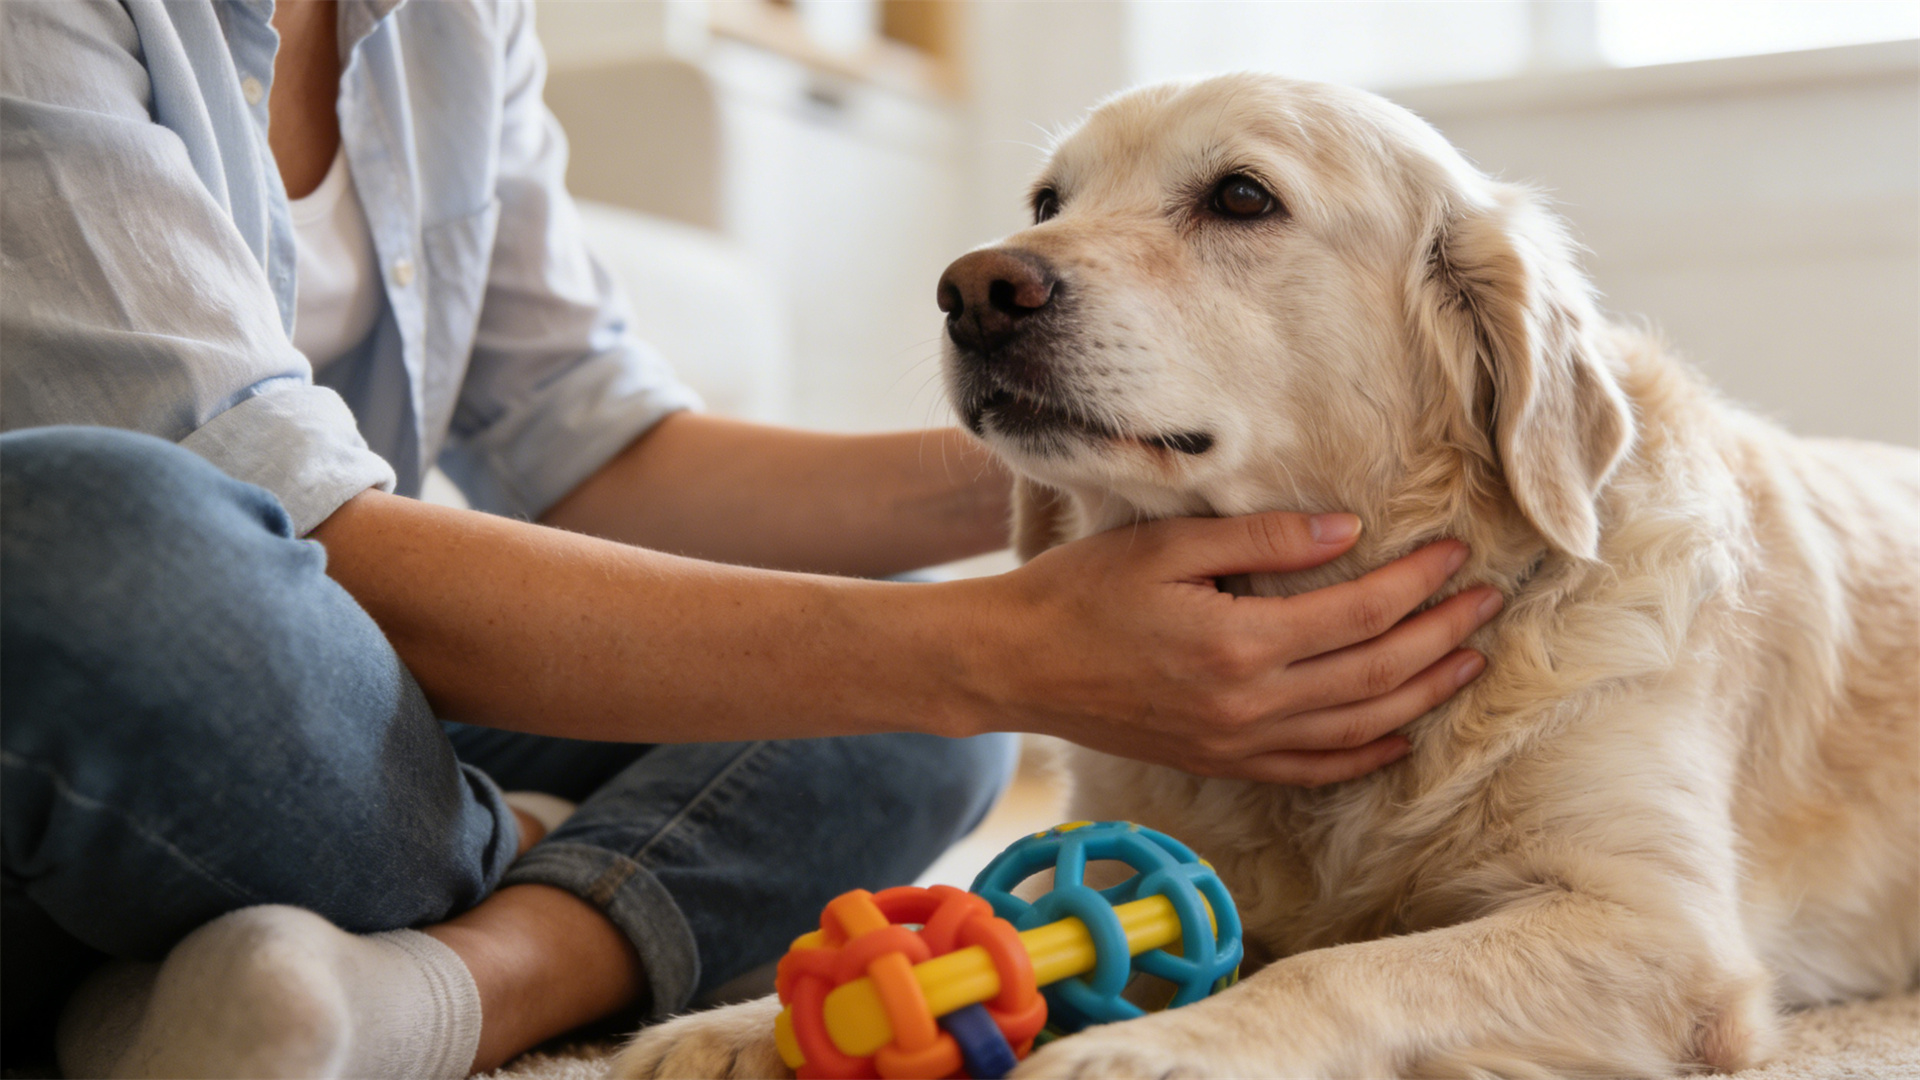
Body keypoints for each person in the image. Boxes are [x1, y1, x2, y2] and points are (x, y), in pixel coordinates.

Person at [0, 1, 1500, 1075]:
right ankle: (511, 922)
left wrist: (1092, 443)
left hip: (318, 702)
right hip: (110, 653)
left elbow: (590, 446)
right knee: (97, 545)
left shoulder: (446, 21)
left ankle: (377, 986)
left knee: (917, 718)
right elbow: (302, 531)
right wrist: (999, 648)